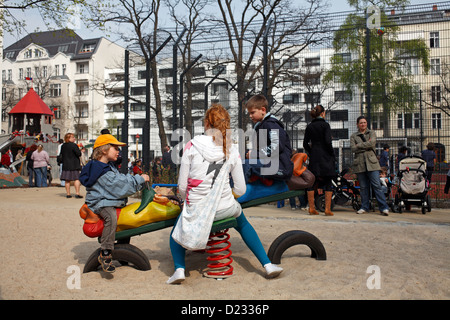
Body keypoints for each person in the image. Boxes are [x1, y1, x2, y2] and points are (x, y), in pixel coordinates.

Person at [167, 104, 283, 284]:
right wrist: (228, 196)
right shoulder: (231, 148)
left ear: (206, 123)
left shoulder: (191, 145)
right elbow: (241, 189)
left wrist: (187, 201)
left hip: (197, 209)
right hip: (226, 208)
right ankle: (267, 265)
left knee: (176, 233)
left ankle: (179, 270)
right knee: (243, 223)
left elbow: (182, 186)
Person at [79, 134, 150, 273]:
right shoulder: (101, 171)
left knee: (126, 221)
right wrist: (139, 180)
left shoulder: (107, 166)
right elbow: (119, 187)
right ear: (104, 150)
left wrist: (137, 180)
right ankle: (105, 253)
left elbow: (121, 178)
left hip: (108, 199)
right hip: (101, 203)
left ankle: (123, 250)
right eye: (115, 148)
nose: (118, 151)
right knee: (111, 217)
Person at [244, 94, 293, 184]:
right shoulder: (262, 125)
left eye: (252, 112)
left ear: (263, 110)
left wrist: (255, 154)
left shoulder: (271, 124)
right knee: (242, 158)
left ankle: (238, 193)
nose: (250, 116)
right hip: (271, 164)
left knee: (247, 164)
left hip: (281, 167)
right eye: (249, 113)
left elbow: (277, 146)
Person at [350, 116, 389, 216]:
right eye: (361, 123)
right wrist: (365, 145)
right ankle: (364, 207)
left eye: (364, 122)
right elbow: (353, 148)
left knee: (377, 185)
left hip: (372, 164)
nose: (363, 124)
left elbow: (372, 144)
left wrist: (359, 145)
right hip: (360, 164)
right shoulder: (353, 136)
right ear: (357, 124)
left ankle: (383, 208)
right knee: (363, 187)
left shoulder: (372, 133)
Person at [303, 105, 336, 216]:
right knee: (328, 182)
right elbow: (328, 141)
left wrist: (311, 152)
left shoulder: (310, 126)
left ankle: (311, 208)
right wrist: (331, 153)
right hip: (326, 157)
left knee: (313, 181)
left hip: (314, 157)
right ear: (323, 113)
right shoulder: (325, 125)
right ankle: (327, 209)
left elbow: (305, 143)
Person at [60, 133, 83, 198]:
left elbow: (61, 154)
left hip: (66, 164)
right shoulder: (74, 145)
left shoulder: (63, 146)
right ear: (69, 138)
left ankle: (68, 194)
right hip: (74, 164)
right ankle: (77, 193)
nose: (74, 138)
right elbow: (78, 154)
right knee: (77, 179)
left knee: (67, 180)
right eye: (73, 137)